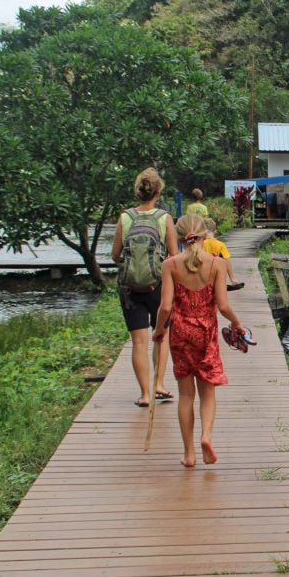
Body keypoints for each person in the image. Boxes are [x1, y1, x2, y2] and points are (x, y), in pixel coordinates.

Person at [153, 214, 246, 468]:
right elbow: (223, 306)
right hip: (206, 333)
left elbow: (165, 306)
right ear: (206, 235)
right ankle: (206, 436)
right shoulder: (216, 265)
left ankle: (189, 453)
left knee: (185, 395)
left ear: (180, 238)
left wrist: (159, 330)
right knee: (207, 392)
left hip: (181, 334)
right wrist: (237, 324)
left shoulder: (170, 265)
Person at [111, 167, 178, 408]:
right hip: (158, 286)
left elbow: (114, 255)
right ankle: (159, 384)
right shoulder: (164, 218)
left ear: (138, 191)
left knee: (138, 341)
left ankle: (144, 394)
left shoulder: (125, 217)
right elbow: (173, 256)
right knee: (160, 336)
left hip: (130, 288)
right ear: (158, 191)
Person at [203, 217, 244, 290]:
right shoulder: (220, 245)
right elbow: (227, 261)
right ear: (215, 231)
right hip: (217, 274)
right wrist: (232, 278)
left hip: (202, 275)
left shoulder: (199, 245)